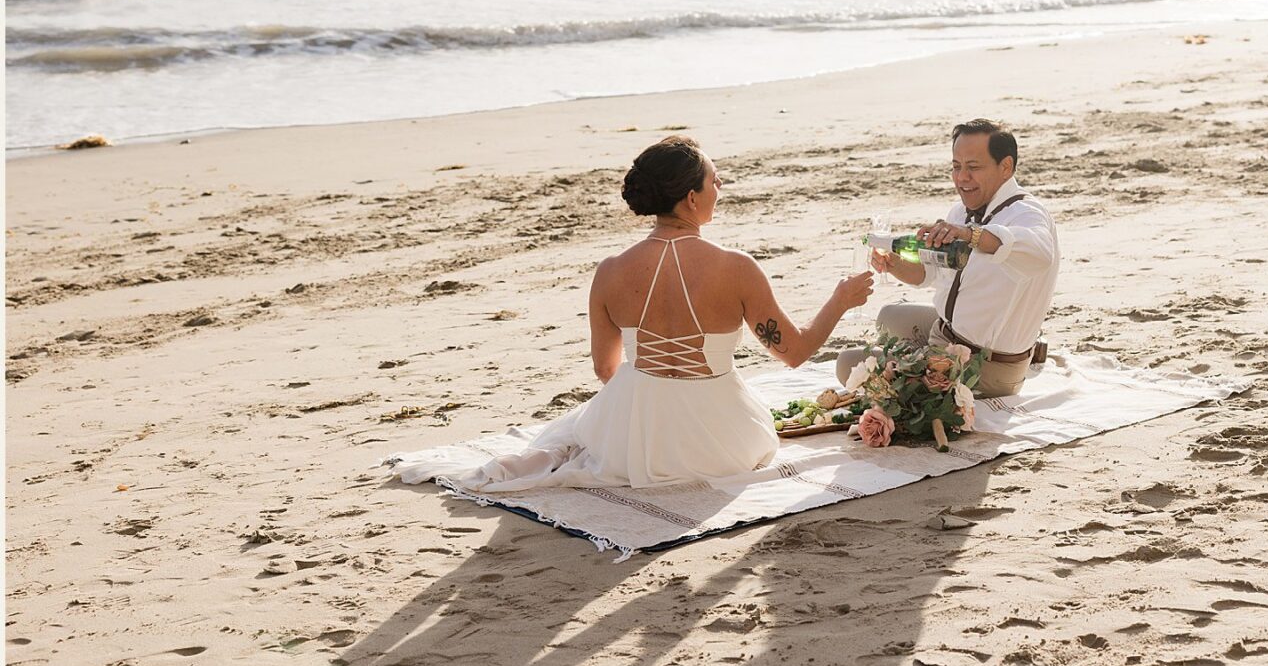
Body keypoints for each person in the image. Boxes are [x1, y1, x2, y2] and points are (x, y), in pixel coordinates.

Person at [387, 135, 874, 491]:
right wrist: (841, 299)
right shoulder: (735, 268)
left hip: (629, 446)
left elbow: (606, 370)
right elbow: (796, 354)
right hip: (725, 443)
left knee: (580, 428)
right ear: (691, 197)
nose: (720, 188)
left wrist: (642, 412)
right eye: (714, 180)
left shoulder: (611, 271)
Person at [840, 119, 1059, 398]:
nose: (961, 178)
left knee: (846, 365)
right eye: (956, 166)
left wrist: (970, 235)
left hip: (986, 366)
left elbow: (1040, 253)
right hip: (947, 331)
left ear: (1005, 167)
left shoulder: (1027, 214)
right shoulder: (962, 211)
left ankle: (921, 363)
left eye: (973, 167)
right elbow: (930, 274)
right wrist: (894, 264)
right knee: (887, 317)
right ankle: (918, 354)